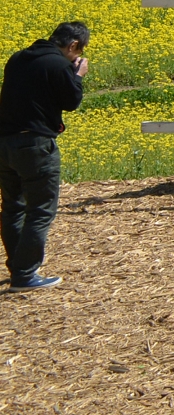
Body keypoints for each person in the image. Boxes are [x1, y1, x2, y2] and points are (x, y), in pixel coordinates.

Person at [0, 22, 89, 290]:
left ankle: (17, 266)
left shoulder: (17, 58)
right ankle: (25, 275)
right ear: (73, 45)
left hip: (4, 143)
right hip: (36, 145)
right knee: (40, 210)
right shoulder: (59, 65)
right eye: (79, 51)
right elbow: (71, 102)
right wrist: (78, 75)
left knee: (13, 207)